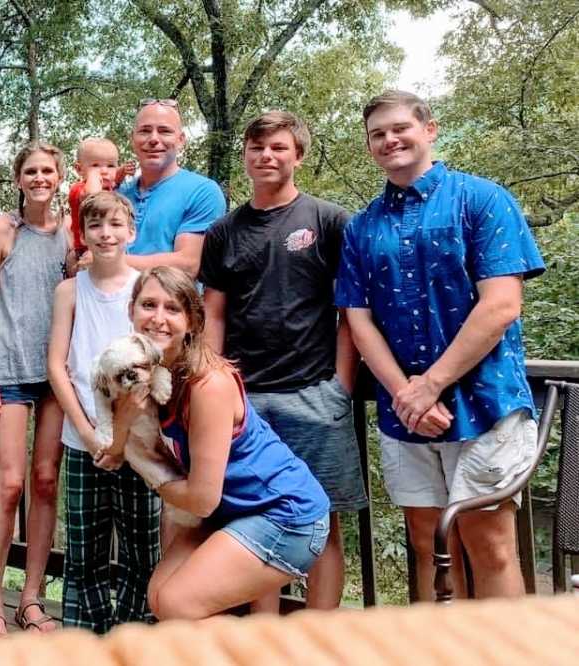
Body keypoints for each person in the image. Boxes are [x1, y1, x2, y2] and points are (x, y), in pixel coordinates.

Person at [335, 90, 545, 600]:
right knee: (428, 544)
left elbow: (500, 306)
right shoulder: (362, 227)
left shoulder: (483, 199)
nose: (390, 140)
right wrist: (408, 395)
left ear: (429, 129)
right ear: (369, 147)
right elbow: (358, 321)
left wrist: (429, 386)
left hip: (485, 403)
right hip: (403, 412)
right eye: (377, 135)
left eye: (400, 128)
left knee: (489, 544)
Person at [199, 111, 367, 609]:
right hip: (244, 403)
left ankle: (318, 643)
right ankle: (266, 644)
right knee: (255, 520)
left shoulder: (329, 221)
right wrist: (213, 385)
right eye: (257, 147)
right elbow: (214, 314)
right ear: (245, 156)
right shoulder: (224, 231)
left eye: (277, 147)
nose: (266, 156)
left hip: (314, 395)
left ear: (298, 155)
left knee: (326, 521)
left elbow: (350, 310)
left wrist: (340, 385)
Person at [112, 266, 330, 620]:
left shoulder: (208, 385)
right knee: (159, 597)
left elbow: (200, 499)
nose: (158, 318)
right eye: (148, 305)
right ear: (132, 311)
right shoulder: (149, 375)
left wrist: (156, 479)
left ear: (193, 322)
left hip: (287, 516)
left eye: (173, 309)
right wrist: (123, 418)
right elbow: (112, 449)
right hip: (232, 512)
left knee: (177, 603)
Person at [48, 191, 160, 633]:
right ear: (84, 233)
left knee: (140, 544)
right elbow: (57, 365)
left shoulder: (146, 289)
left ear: (131, 232)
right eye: (95, 225)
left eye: (115, 225)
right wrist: (88, 432)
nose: (106, 233)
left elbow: (157, 360)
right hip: (84, 439)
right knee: (84, 545)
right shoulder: (69, 290)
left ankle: (135, 632)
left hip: (139, 439)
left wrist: (122, 437)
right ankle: (84, 632)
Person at [0, 141, 71, 636]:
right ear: (18, 179)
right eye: (30, 171)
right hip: (9, 370)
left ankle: (30, 598)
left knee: (46, 480)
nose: (39, 178)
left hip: (57, 374)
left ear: (58, 178)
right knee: (8, 483)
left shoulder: (71, 232)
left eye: (47, 171)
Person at [119, 99, 226, 276]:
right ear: (132, 139)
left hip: (169, 303)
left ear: (181, 140)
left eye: (164, 131)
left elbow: (187, 264)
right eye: (145, 131)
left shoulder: (202, 191)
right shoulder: (118, 194)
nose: (153, 139)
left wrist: (108, 261)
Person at [67, 137, 135, 255]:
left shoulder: (108, 188)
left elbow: (115, 181)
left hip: (109, 246)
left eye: (111, 165)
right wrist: (95, 176)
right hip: (86, 251)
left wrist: (122, 171)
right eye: (95, 165)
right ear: (79, 169)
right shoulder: (79, 189)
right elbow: (93, 196)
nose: (104, 171)